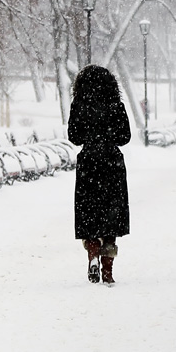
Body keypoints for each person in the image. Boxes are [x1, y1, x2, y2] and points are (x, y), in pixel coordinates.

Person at [67, 64, 131, 286]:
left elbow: (74, 136)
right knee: (111, 215)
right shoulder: (115, 104)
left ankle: (92, 254)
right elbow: (125, 136)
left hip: (89, 164)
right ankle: (107, 270)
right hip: (112, 163)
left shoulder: (79, 104)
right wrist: (108, 133)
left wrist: (91, 134)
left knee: (90, 214)